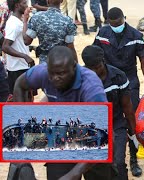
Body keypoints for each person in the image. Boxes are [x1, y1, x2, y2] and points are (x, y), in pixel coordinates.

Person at [13, 46, 115, 180]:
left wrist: (75, 173)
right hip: (60, 134)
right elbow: (19, 85)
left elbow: (107, 136)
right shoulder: (43, 72)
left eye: (61, 73)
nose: (55, 78)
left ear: (74, 67)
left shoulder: (91, 87)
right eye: (52, 73)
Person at [93, 7, 144, 177]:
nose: (116, 26)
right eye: (112, 24)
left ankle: (133, 159)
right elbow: (94, 56)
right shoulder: (102, 33)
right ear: (108, 23)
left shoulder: (136, 36)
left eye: (118, 24)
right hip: (108, 80)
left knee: (130, 119)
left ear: (124, 19)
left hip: (129, 82)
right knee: (109, 119)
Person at [82, 45, 139, 180]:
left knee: (118, 163)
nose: (94, 71)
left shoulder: (118, 77)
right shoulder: (80, 79)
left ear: (103, 61)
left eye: (97, 66)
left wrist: (133, 133)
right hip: (90, 128)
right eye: (91, 68)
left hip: (116, 124)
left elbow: (128, 108)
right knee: (94, 167)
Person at [2, 0, 35, 101]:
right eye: (24, 3)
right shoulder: (13, 24)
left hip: (21, 66)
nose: (27, 6)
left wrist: (31, 48)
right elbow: (6, 46)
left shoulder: (18, 20)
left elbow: (18, 43)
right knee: (22, 100)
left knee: (28, 98)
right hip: (17, 68)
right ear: (17, 5)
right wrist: (25, 56)